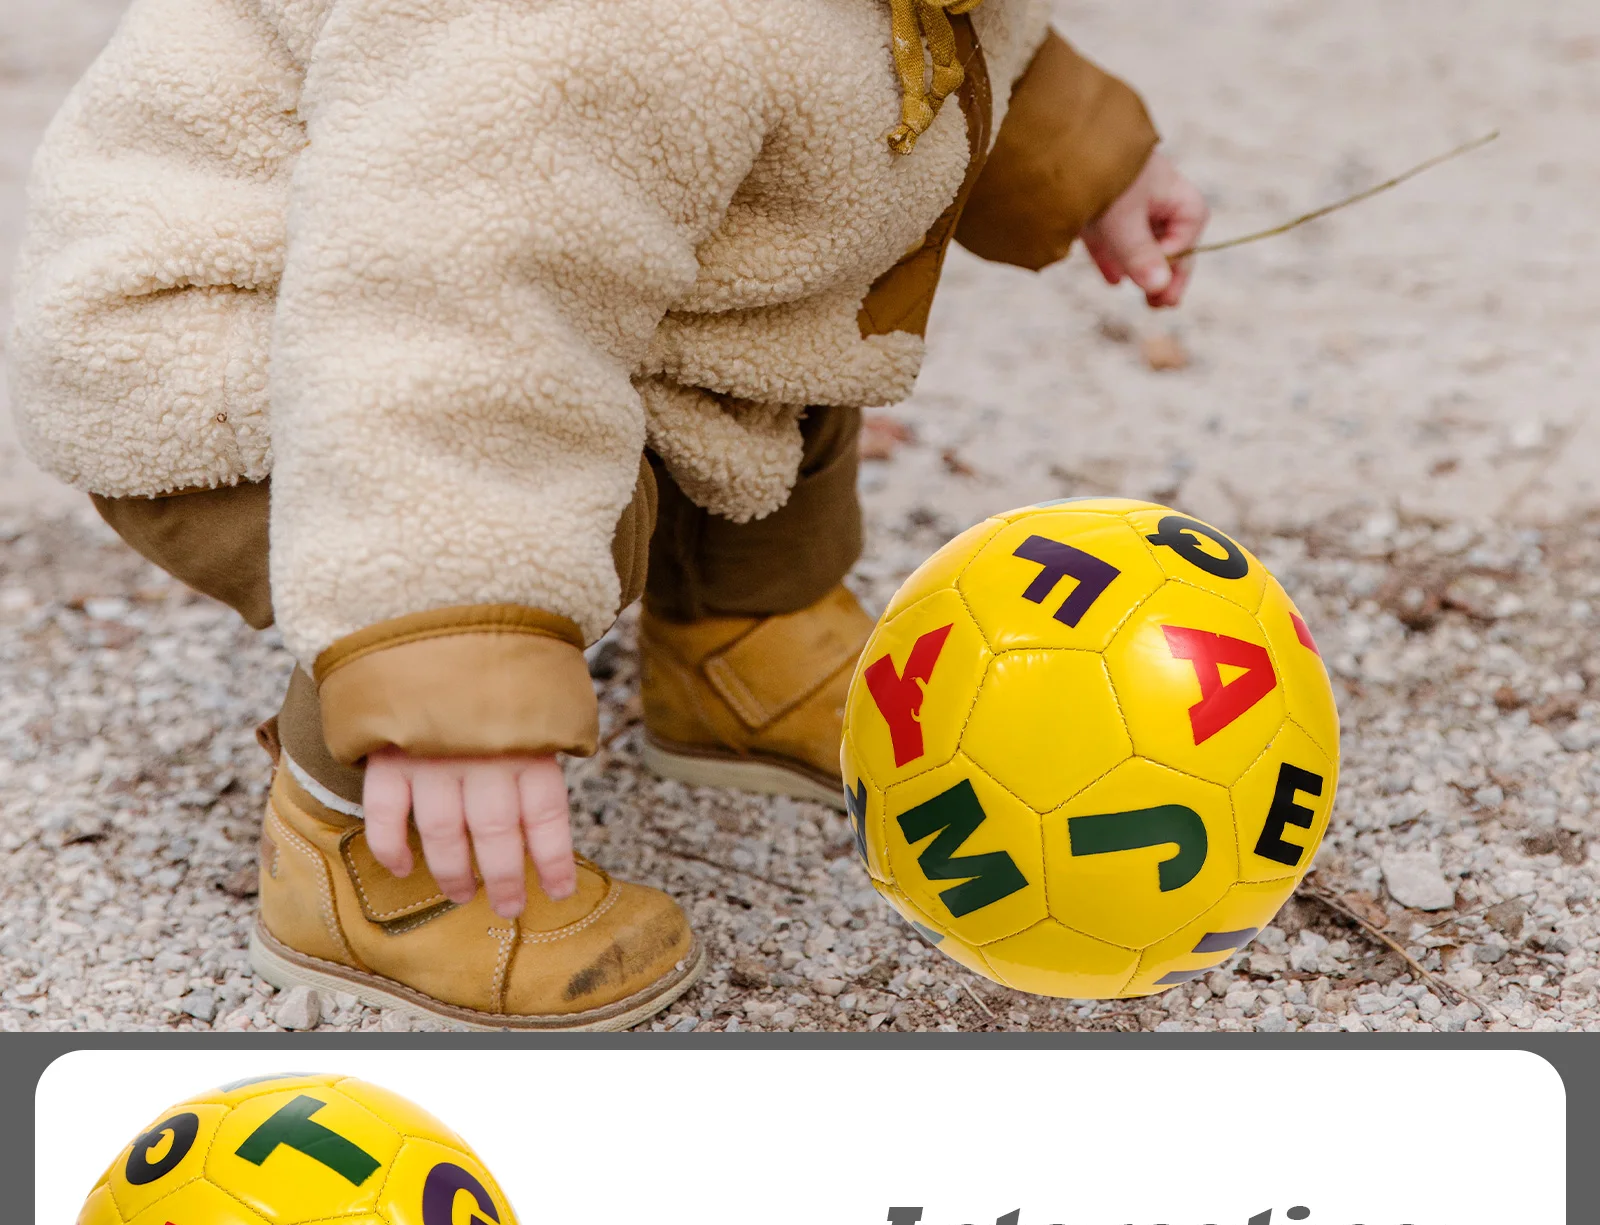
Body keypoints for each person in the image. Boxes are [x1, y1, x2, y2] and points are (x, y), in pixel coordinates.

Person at [8, 0, 1208, 1028]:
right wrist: (451, 666)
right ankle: (361, 853)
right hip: (263, 342)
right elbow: (453, 314)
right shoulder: (600, 28)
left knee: (792, 307)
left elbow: (918, 39)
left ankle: (742, 637)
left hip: (477, 278)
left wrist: (1080, 154)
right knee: (538, 510)